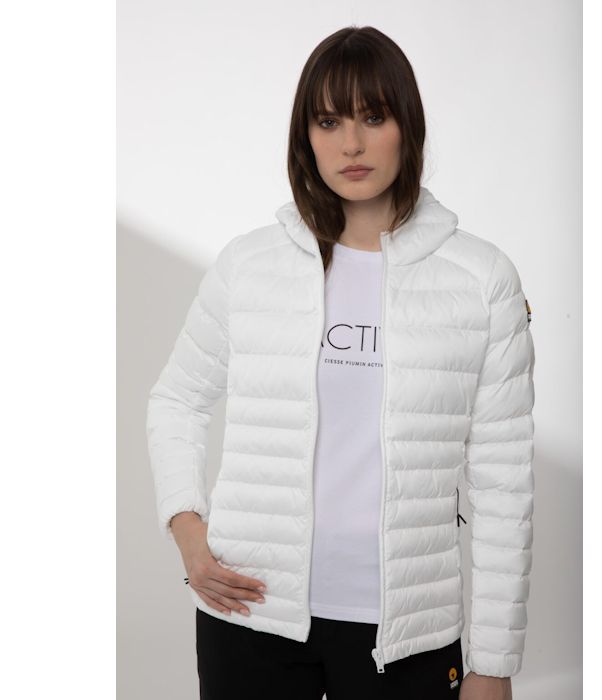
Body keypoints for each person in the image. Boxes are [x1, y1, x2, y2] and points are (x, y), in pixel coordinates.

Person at [146, 25, 535, 700]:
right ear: (306, 137)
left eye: (373, 117)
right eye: (328, 121)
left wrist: (494, 663)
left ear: (407, 127)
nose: (351, 144)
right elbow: (176, 399)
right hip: (251, 612)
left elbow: (504, 485)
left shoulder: (480, 280)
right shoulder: (250, 266)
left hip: (406, 629)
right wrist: (187, 528)